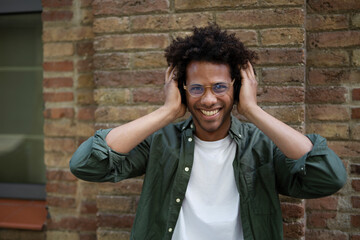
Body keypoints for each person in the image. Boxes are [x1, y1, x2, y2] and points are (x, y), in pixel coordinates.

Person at [70, 24, 347, 240]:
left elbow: (329, 176)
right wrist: (166, 112)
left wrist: (251, 110)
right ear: (183, 91)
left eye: (219, 87)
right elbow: (86, 164)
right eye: (197, 88)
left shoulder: (262, 146)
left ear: (236, 88)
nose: (208, 99)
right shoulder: (161, 142)